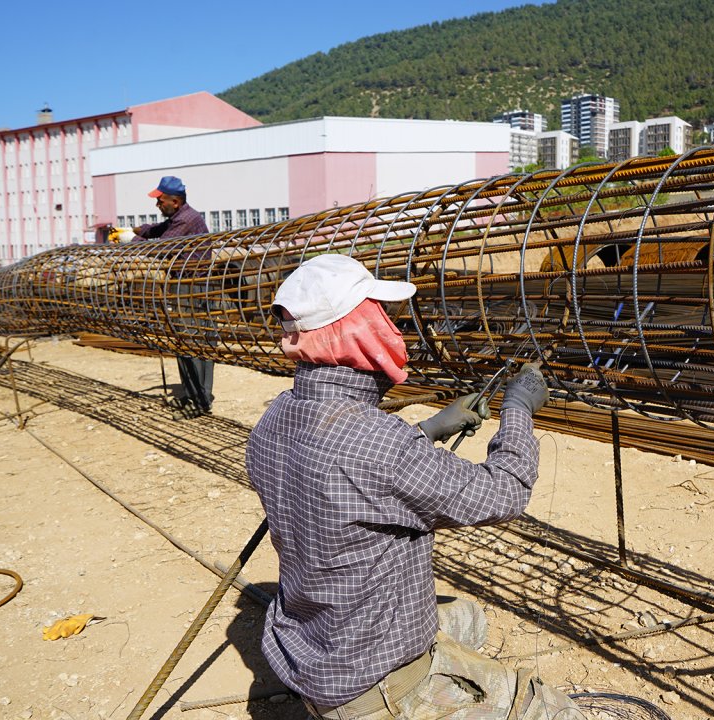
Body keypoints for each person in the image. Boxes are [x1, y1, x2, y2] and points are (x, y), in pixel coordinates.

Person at [245, 254, 582, 720]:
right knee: (551, 710)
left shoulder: (274, 419)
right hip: (372, 687)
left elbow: (347, 474)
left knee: (467, 617)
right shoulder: (377, 443)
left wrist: (428, 430)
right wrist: (519, 410)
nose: (390, 325)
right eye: (379, 316)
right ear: (356, 331)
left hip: (314, 651)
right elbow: (504, 492)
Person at [125, 175, 215, 417]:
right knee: (183, 342)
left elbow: (158, 247)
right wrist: (136, 230)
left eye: (160, 201)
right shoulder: (179, 217)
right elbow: (156, 230)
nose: (157, 205)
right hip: (184, 284)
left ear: (174, 202)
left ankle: (199, 400)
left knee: (193, 341)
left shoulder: (186, 221)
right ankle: (190, 393)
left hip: (193, 287)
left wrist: (130, 241)